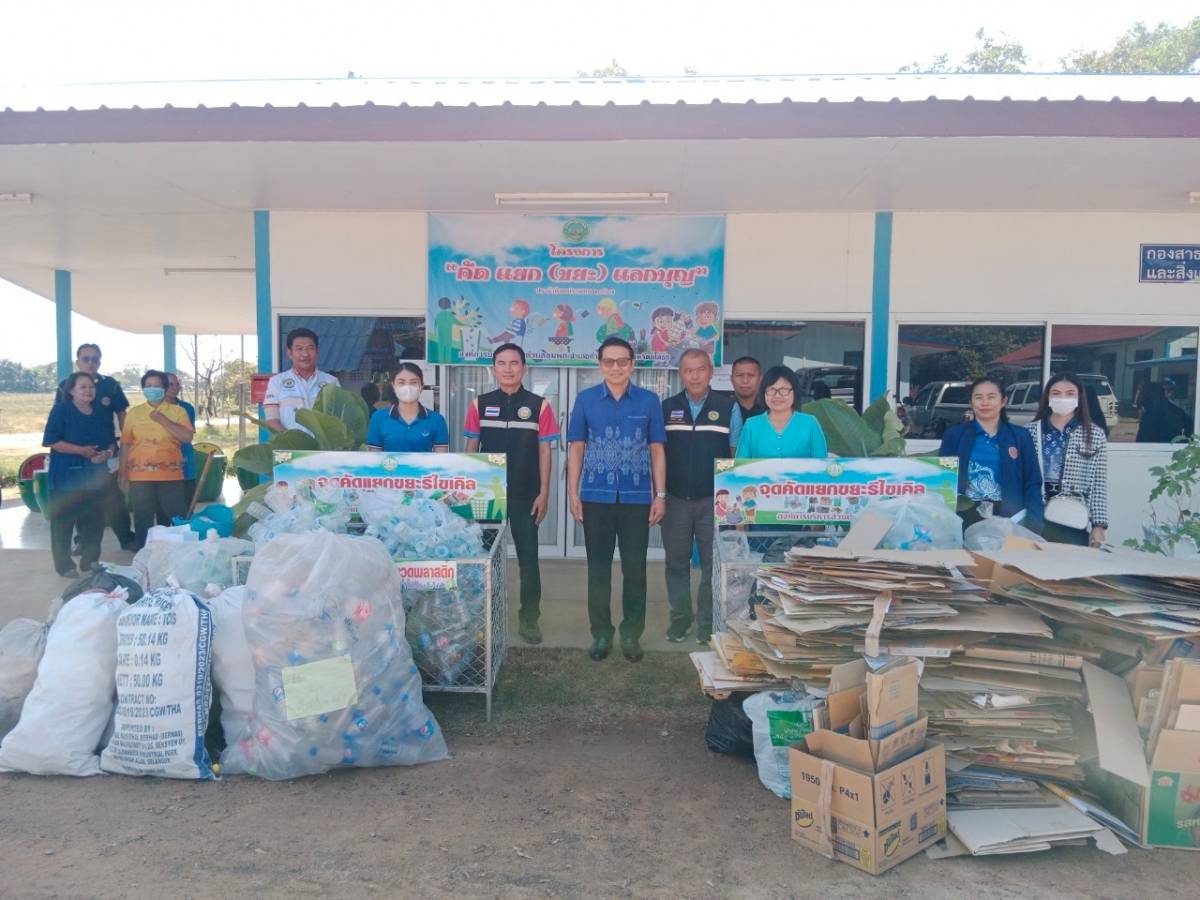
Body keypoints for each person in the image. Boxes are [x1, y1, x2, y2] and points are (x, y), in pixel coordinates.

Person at [567, 336, 667, 663]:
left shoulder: (649, 401)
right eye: (609, 361)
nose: (616, 367)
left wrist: (660, 495)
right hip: (595, 497)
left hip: (637, 499)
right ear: (600, 365)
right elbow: (577, 448)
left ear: (632, 364)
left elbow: (657, 450)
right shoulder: (585, 400)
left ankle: (630, 634)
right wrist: (573, 493)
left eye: (622, 361)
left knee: (635, 570)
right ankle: (601, 634)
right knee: (598, 571)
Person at [464, 343, 559, 644]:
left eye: (514, 363)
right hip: (487, 497)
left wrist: (544, 493)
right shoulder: (479, 404)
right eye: (502, 363)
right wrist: (469, 492)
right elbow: (471, 449)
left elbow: (545, 452)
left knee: (528, 559)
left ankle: (529, 620)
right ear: (493, 369)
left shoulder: (539, 406)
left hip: (525, 494)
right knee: (484, 559)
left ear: (524, 368)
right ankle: (484, 618)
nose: (508, 369)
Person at [661, 349, 734, 646]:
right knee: (676, 563)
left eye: (700, 369)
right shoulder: (667, 408)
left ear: (710, 372)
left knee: (711, 565)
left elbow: (733, 455)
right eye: (688, 370)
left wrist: (728, 501)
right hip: (675, 499)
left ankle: (706, 621)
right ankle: (680, 618)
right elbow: (658, 454)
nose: (694, 376)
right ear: (680, 374)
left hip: (712, 501)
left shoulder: (727, 407)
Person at [56, 343, 135, 550]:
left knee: (113, 497)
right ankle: (83, 542)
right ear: (78, 362)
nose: (91, 363)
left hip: (107, 450)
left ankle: (127, 539)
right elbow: (60, 415)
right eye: (86, 359)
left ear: (100, 362)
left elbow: (122, 414)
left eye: (95, 359)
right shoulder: (66, 385)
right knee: (81, 498)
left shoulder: (110, 385)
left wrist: (127, 443)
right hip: (77, 453)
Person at [939, 375, 1043, 531]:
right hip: (963, 517)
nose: (985, 402)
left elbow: (1032, 482)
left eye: (991, 397)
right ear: (971, 402)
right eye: (978, 397)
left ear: (1003, 401)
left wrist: (1034, 524)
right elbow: (943, 480)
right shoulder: (954, 435)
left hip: (1010, 519)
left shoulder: (1020, 436)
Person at [42, 372, 117, 577]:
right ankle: (65, 566)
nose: (88, 390)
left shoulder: (101, 412)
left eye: (91, 387)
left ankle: (90, 561)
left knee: (94, 522)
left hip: (95, 476)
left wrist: (107, 453)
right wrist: (81, 451)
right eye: (82, 386)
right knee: (63, 524)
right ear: (71, 390)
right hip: (67, 477)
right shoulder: (61, 410)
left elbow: (111, 441)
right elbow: (51, 441)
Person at [1027, 374, 1108, 547]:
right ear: (1047, 397)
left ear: (1079, 397)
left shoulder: (1094, 434)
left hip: (1073, 517)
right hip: (1035, 515)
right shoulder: (1030, 431)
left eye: (1070, 393)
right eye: (1056, 393)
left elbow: (1098, 483)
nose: (1062, 398)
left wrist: (1098, 525)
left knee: (1071, 562)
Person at [120, 370, 195, 549]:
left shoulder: (178, 411)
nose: (152, 389)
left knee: (176, 515)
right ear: (143, 389)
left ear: (165, 388)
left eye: (157, 385)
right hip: (139, 475)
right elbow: (126, 444)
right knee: (142, 516)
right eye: (148, 386)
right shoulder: (134, 413)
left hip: (170, 474)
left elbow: (187, 437)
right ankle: (143, 552)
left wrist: (163, 420)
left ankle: (182, 551)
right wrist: (122, 474)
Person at [735, 366, 828, 459]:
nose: (777, 396)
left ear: (795, 392)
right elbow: (740, 464)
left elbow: (822, 463)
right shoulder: (751, 425)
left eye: (783, 390)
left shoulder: (810, 423)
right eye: (771, 390)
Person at [263, 328, 339, 436]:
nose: (305, 354)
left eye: (310, 348)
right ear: (290, 353)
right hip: (291, 445)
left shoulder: (331, 382)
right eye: (299, 348)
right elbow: (272, 420)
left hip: (323, 445)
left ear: (317, 351)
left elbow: (338, 420)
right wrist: (295, 442)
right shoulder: (276, 382)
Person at [367, 364, 449, 452]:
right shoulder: (378, 418)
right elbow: (375, 457)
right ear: (393, 386)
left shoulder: (437, 420)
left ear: (421, 386)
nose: (407, 387)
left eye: (413, 382)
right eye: (401, 382)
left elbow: (440, 457)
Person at [166, 373, 198, 505]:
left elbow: (189, 433)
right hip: (163, 462)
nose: (175, 388)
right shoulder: (154, 410)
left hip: (185, 459)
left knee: (187, 501)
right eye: (170, 384)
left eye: (177, 384)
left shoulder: (187, 408)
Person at [727, 356, 765, 453]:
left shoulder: (770, 409)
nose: (745, 381)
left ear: (760, 379)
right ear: (731, 379)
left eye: (751, 375)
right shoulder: (722, 408)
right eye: (740, 375)